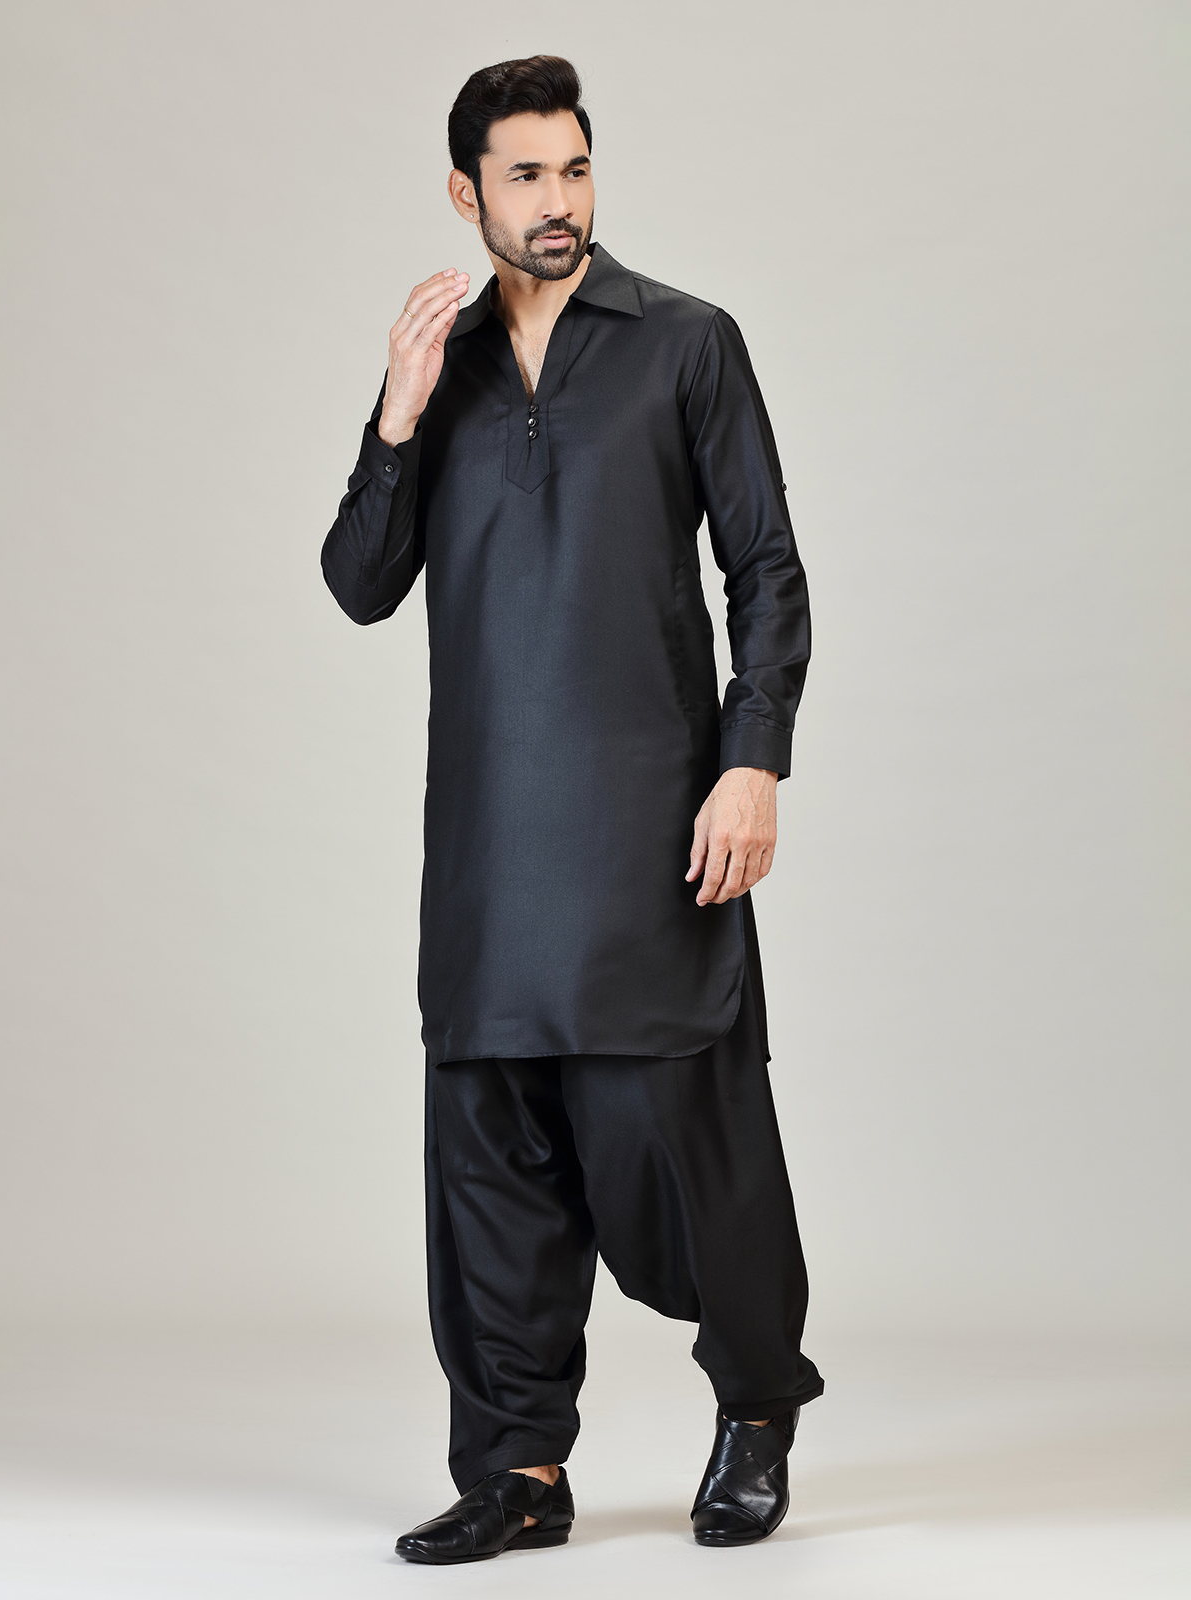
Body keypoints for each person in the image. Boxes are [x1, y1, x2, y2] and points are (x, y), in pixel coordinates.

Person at [321, 54, 822, 1564]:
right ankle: (517, 1472)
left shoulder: (685, 343)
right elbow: (359, 584)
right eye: (526, 175)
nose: (559, 202)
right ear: (465, 192)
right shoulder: (443, 366)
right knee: (489, 1169)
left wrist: (752, 758)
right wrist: (398, 415)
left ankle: (756, 1407)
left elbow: (766, 569)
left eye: (576, 169)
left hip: (654, 829)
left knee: (690, 1148)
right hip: (488, 847)